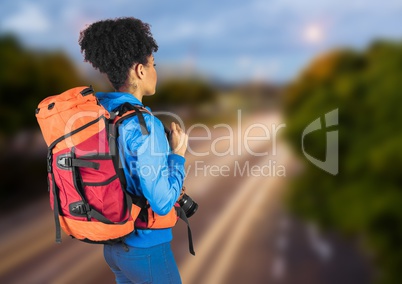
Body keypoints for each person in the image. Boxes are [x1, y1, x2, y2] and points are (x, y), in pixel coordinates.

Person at [79, 17, 188, 284]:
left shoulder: (101, 111)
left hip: (115, 246)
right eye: (154, 65)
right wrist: (177, 155)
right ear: (140, 70)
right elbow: (161, 202)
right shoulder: (144, 124)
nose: (155, 72)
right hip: (146, 249)